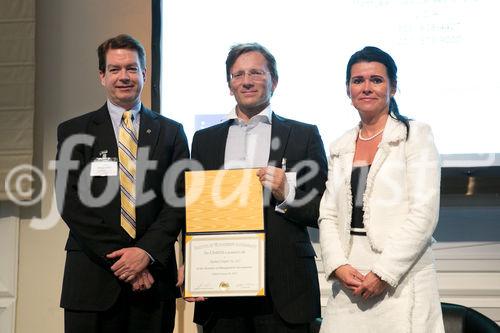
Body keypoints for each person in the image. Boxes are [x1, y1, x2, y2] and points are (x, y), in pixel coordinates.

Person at [188, 43, 328, 332]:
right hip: (221, 285)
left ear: (274, 81)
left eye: (256, 72)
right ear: (229, 85)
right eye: (238, 74)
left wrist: (286, 193)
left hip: (285, 289)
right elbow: (193, 212)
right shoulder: (204, 140)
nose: (247, 81)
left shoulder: (304, 135)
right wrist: (191, 269)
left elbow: (322, 210)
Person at [55, 34, 189, 333]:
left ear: (144, 73)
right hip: (92, 279)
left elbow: (178, 201)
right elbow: (70, 202)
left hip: (153, 281)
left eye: (131, 68)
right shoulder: (74, 131)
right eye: (115, 69)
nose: (124, 76)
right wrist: (125, 261)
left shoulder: (172, 132)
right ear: (102, 76)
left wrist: (145, 254)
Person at [318, 46, 444, 332]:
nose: (366, 88)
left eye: (376, 80)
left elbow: (423, 214)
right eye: (357, 80)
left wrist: (384, 273)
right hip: (348, 278)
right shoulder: (340, 146)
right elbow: (327, 214)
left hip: (400, 277)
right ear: (348, 89)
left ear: (393, 87)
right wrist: (337, 265)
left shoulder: (415, 136)